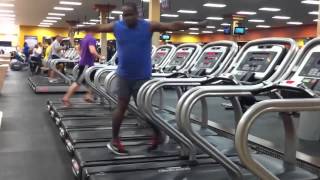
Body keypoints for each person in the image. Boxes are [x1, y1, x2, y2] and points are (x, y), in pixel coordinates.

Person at [74, 2, 208, 155]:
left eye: (130, 14)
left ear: (137, 14)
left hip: (142, 77)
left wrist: (196, 24)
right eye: (124, 15)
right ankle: (115, 139)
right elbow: (99, 28)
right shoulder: (117, 26)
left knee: (145, 109)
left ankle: (158, 135)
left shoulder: (148, 26)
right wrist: (83, 27)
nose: (127, 18)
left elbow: (172, 25)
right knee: (121, 107)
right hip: (123, 75)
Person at [62, 31, 103, 106]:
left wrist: (86, 56)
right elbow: (92, 50)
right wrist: (100, 57)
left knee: (92, 81)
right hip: (86, 64)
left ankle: (88, 96)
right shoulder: (92, 39)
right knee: (78, 82)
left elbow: (79, 51)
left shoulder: (83, 39)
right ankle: (66, 98)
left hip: (86, 63)